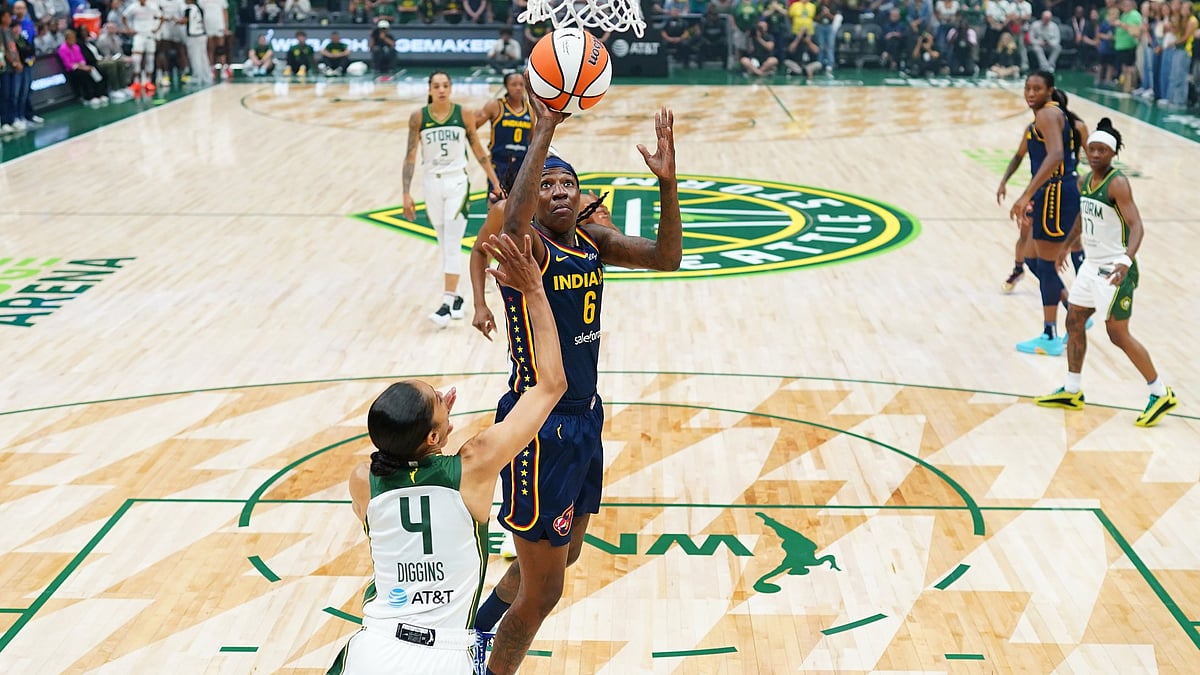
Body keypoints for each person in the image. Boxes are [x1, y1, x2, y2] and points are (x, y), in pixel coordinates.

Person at [470, 96, 681, 675]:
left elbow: (667, 259)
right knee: (544, 594)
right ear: (533, 198)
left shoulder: (594, 242)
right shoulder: (527, 247)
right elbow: (511, 219)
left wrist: (667, 185)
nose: (560, 191)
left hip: (585, 416)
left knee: (566, 554)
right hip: (539, 426)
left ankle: (475, 630)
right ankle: (478, 663)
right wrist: (543, 129)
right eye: (548, 185)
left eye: (569, 183)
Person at [326, 232, 567, 675]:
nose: (444, 395)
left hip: (372, 651)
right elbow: (551, 384)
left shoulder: (362, 479)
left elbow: (399, 458)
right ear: (435, 437)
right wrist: (533, 287)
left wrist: (432, 424)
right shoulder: (474, 466)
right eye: (439, 398)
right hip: (442, 658)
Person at [1034, 118, 1177, 427]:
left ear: (1112, 154)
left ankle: (1160, 392)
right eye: (1092, 149)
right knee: (1074, 319)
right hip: (1090, 265)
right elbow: (1083, 219)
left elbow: (1137, 225)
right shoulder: (1085, 180)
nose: (1095, 154)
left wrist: (1126, 260)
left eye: (1102, 150)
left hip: (1114, 267)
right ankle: (1072, 390)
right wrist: (1066, 246)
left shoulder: (1117, 183)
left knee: (1117, 333)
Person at [402, 71, 501, 329]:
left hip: (457, 181)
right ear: (430, 89)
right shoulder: (419, 117)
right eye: (437, 86)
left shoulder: (464, 114)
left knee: (452, 242)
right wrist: (406, 192)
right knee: (444, 242)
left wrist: (495, 180)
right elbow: (411, 155)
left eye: (446, 85)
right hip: (430, 182)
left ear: (451, 88)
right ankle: (457, 299)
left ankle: (447, 303)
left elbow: (478, 149)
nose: (442, 89)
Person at [998, 71, 1084, 357]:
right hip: (1054, 191)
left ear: (1050, 91)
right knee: (1033, 259)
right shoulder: (1051, 115)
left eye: (1037, 88)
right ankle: (1072, 310)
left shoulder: (1047, 115)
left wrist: (1026, 195)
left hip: (1056, 192)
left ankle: (1051, 333)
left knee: (1045, 265)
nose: (1030, 93)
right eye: (1027, 88)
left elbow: (1057, 155)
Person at [474, 71, 534, 201]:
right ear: (506, 86)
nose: (518, 88)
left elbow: (532, 139)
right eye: (514, 84)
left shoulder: (530, 110)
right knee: (496, 201)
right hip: (499, 162)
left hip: (521, 164)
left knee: (520, 204)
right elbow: (472, 127)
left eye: (521, 85)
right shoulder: (495, 106)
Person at [122, 0, 162, 94]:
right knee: (136, 59)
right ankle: (136, 81)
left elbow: (161, 17)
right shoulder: (133, 6)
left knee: (150, 58)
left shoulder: (152, 6)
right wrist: (128, 29)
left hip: (149, 34)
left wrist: (157, 28)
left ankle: (148, 81)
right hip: (138, 34)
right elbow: (124, 17)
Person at [181, 0, 211, 86]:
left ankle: (197, 77)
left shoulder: (189, 9)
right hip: (202, 34)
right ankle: (206, 77)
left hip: (193, 36)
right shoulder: (199, 8)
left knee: (195, 57)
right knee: (203, 57)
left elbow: (185, 21)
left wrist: (174, 20)